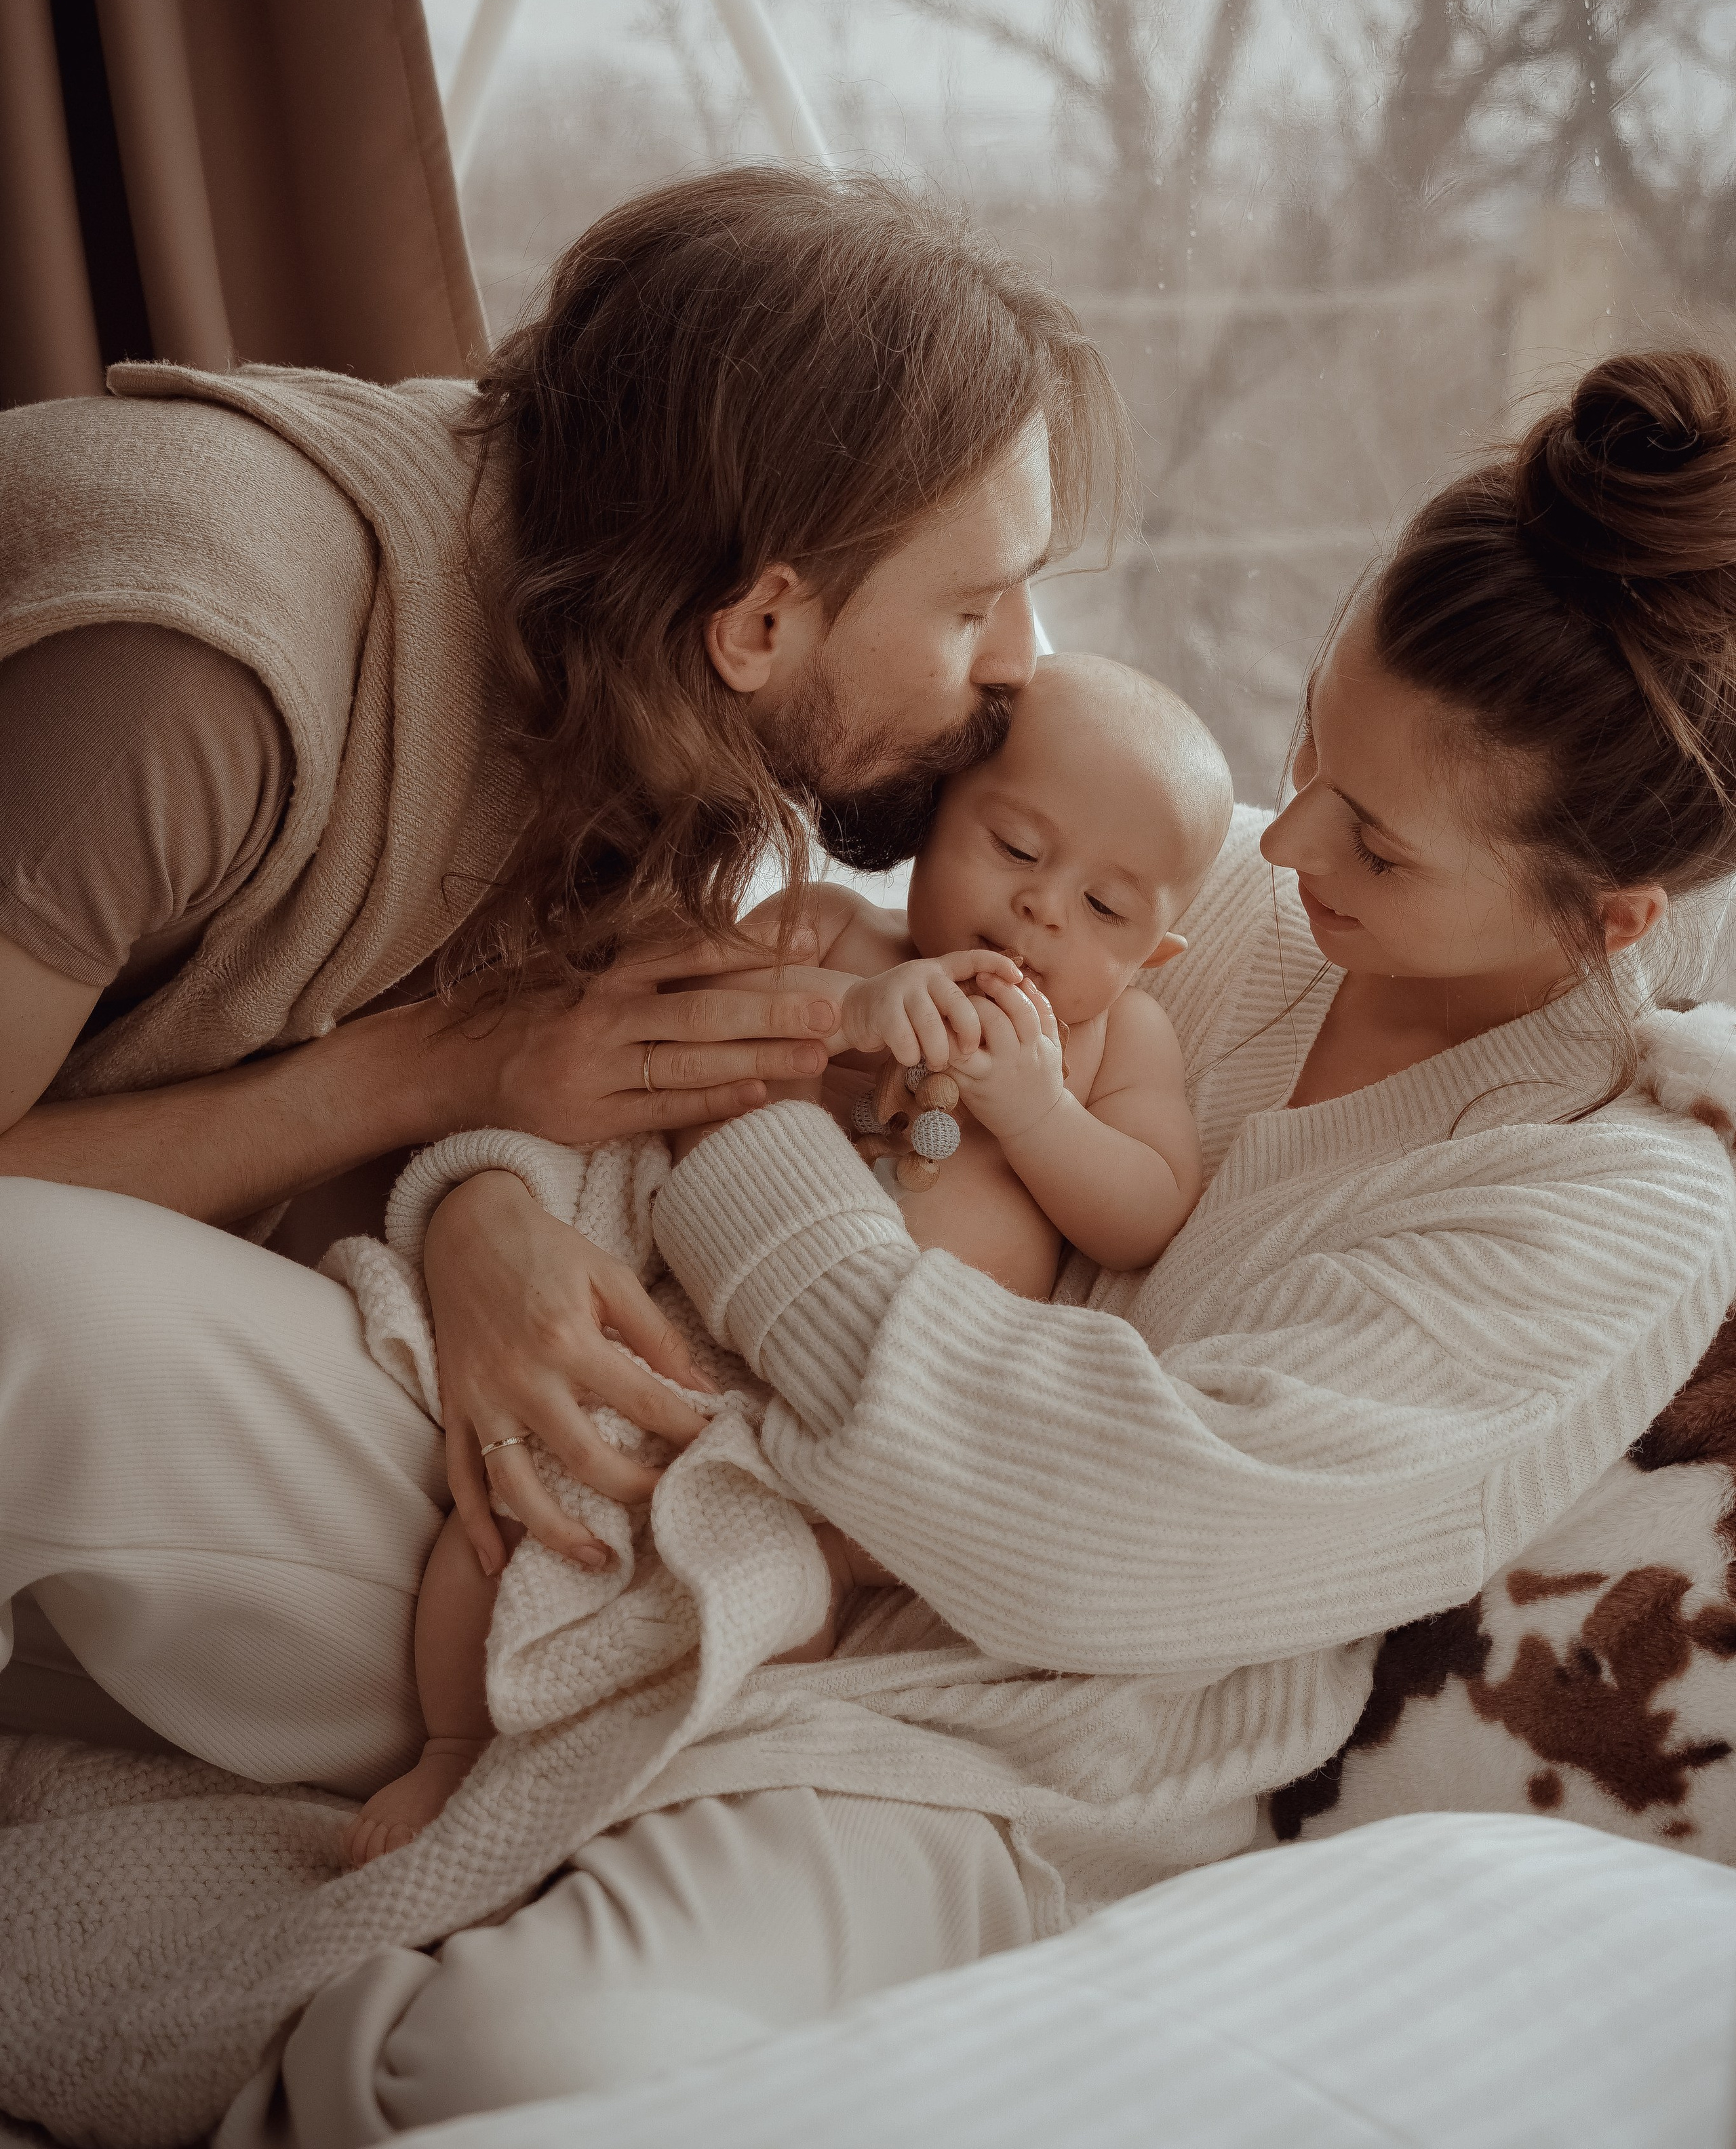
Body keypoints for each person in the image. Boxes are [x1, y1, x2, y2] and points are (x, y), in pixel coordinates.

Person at [215, 347, 1736, 2144]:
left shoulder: (1609, 1209)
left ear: (1613, 918)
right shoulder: (1216, 887)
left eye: (1379, 845)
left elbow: (1101, 1541)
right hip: (656, 1475)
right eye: (1316, 739)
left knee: (464, 2073)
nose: (1291, 834)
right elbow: (720, 988)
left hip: (1002, 1765)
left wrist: (743, 1129)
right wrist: (485, 1214)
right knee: (48, 1325)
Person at [0, 164, 1127, 1788]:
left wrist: (478, 1204)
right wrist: (418, 1086)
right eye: (970, 602)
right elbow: (427, 1048)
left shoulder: (614, 624)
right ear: (760, 622)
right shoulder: (197, 691)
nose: (1021, 658)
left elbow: (510, 1031)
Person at [340, 653, 1232, 1868]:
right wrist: (852, 1010)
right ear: (934, 817)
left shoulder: (1117, 1037)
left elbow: (1149, 1207)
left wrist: (1037, 1115)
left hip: (855, 1423)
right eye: (1017, 850)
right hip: (679, 1335)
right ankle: (449, 1748)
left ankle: (627, 1799)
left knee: (779, 1608)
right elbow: (674, 1018)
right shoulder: (825, 930)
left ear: (1155, 956)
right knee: (501, 1525)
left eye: (1108, 910)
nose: (1044, 911)